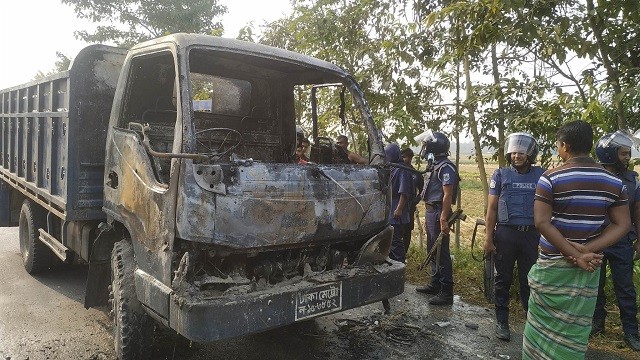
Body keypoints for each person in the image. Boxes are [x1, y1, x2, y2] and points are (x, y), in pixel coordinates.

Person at [522, 120, 631, 359]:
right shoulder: (614, 182)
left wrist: (575, 254)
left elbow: (542, 222)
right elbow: (623, 224)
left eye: (558, 146)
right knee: (573, 331)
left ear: (565, 146)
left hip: (553, 264)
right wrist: (585, 252)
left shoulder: (550, 178)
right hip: (588, 267)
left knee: (539, 332)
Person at [483, 133, 546, 342]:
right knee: (503, 280)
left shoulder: (541, 175)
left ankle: (532, 322)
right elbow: (491, 209)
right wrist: (488, 238)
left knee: (530, 280)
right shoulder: (500, 175)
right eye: (513, 152)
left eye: (521, 152)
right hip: (506, 235)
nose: (516, 156)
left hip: (531, 236)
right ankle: (502, 321)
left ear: (529, 154)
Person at [591, 131, 640, 351]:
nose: (627, 157)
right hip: (597, 240)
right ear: (610, 154)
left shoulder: (633, 179)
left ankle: (631, 331)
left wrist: (639, 239)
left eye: (628, 153)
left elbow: (637, 212)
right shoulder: (592, 176)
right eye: (623, 154)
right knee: (595, 286)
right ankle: (596, 324)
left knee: (626, 288)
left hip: (622, 242)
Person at [415, 131, 459, 306]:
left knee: (441, 252)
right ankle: (435, 283)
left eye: (426, 146)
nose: (424, 149)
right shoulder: (434, 165)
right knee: (432, 250)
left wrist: (443, 218)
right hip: (431, 210)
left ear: (434, 147)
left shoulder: (446, 167)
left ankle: (446, 291)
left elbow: (447, 195)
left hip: (439, 211)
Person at [385, 143, 414, 263]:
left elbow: (404, 192)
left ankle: (399, 264)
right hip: (390, 207)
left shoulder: (402, 169)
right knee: (391, 241)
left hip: (397, 209)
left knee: (396, 240)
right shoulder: (392, 167)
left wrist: (399, 209)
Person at [401, 148, 424, 255]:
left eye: (407, 157)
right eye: (403, 157)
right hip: (396, 206)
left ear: (411, 158)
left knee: (407, 231)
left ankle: (404, 254)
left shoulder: (416, 174)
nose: (405, 159)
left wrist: (415, 201)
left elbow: (423, 190)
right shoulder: (398, 171)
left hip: (409, 207)